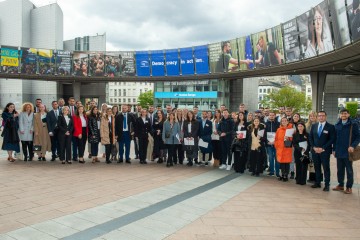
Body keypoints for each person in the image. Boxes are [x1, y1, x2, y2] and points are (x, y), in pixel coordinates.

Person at [333, 109, 360, 194]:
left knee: (349, 170)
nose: (343, 115)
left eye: (345, 113)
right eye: (342, 113)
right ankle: (341, 185)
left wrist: (352, 145)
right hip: (339, 151)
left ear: (348, 115)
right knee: (339, 170)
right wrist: (334, 149)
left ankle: (349, 187)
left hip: (348, 151)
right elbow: (335, 139)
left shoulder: (353, 124)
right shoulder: (337, 124)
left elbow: (358, 137)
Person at [309, 111, 336, 191]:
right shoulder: (314, 126)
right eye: (319, 116)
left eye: (323, 116)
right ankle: (317, 183)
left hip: (325, 151)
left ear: (326, 117)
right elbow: (310, 137)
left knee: (326, 168)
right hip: (315, 151)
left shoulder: (330, 127)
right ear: (317, 117)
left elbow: (332, 139)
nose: (321, 117)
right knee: (317, 167)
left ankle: (327, 185)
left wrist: (323, 148)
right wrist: (314, 147)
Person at [275, 117, 293, 182]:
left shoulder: (291, 129)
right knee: (281, 162)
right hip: (280, 148)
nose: (284, 122)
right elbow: (276, 139)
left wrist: (289, 138)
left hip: (287, 148)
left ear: (287, 122)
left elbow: (293, 139)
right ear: (281, 122)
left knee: (287, 163)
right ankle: (282, 174)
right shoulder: (278, 130)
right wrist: (276, 145)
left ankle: (286, 175)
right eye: (283, 121)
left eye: (285, 121)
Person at [265, 111, 280, 176]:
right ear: (268, 116)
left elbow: (279, 134)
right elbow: (264, 134)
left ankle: (277, 172)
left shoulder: (278, 124)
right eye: (270, 115)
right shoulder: (265, 124)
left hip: (276, 143)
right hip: (268, 144)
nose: (271, 116)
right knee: (271, 158)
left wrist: (275, 141)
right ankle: (271, 171)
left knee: (277, 158)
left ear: (275, 116)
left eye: (273, 115)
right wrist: (267, 141)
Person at [306, 111, 318, 182]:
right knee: (310, 162)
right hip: (309, 146)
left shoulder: (318, 125)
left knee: (316, 162)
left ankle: (317, 177)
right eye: (311, 116)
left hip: (316, 145)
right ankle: (311, 177)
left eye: (313, 116)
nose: (312, 117)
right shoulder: (307, 125)